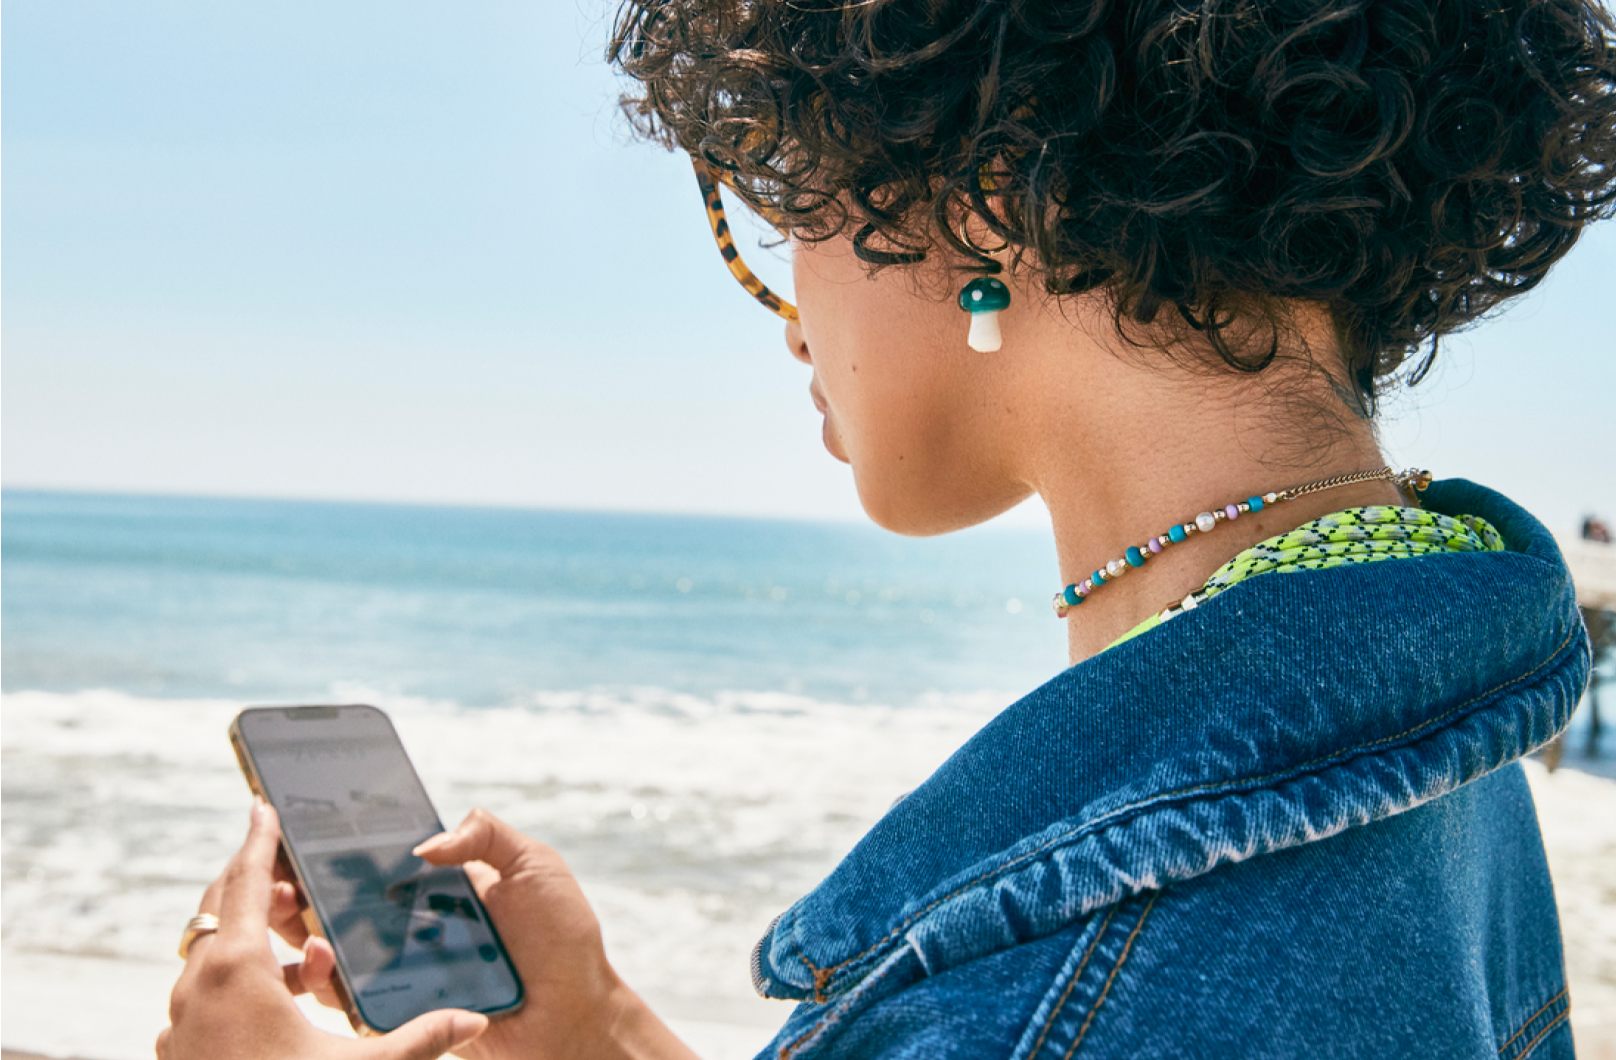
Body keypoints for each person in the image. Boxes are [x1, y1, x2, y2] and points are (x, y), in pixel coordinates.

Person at [159, 1, 1615, 1057]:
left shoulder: (1090, 964)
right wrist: (597, 1033)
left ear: (985, 211)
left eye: (779, 203)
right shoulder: (1421, 722)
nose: (793, 314)